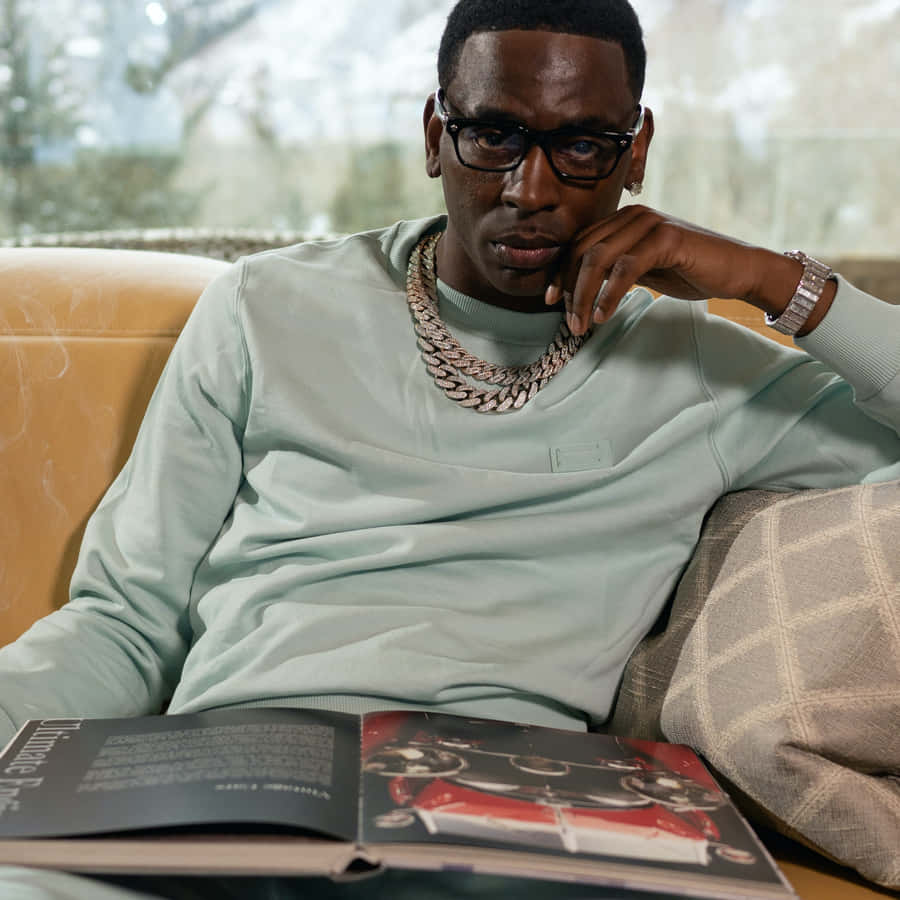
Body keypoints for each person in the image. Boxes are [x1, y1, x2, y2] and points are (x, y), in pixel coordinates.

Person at [1, 1, 898, 897]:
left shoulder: (701, 368)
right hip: (241, 775)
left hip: (517, 816)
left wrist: (774, 281)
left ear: (636, 153)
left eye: (583, 146)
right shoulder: (263, 309)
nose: (531, 190)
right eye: (494, 137)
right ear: (436, 134)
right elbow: (124, 621)